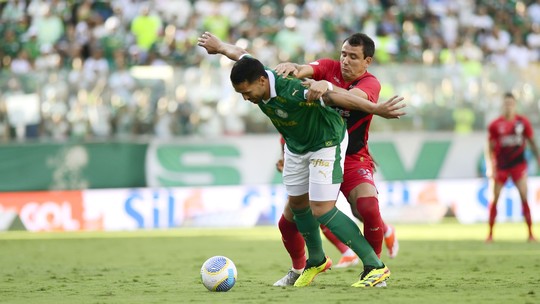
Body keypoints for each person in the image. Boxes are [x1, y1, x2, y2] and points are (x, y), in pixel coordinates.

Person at [198, 31, 397, 288]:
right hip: (296, 147)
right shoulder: (259, 74)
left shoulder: (291, 87)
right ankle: (315, 260)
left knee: (322, 209)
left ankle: (375, 266)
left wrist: (376, 109)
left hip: (326, 142)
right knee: (298, 207)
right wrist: (220, 47)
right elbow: (241, 54)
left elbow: (337, 98)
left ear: (260, 81)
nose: (246, 98)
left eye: (247, 92)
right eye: (241, 94)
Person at [272, 33, 403, 286]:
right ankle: (298, 270)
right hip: (317, 154)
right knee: (288, 223)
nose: (345, 60)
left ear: (367, 61)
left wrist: (328, 88)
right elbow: (305, 70)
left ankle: (374, 270)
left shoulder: (370, 83)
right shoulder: (329, 68)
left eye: (353, 56)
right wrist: (294, 68)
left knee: (367, 208)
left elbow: (356, 100)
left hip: (353, 157)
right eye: (343, 53)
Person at [485, 92, 539, 243]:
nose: (509, 106)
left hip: (518, 166)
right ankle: (490, 234)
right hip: (501, 166)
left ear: (515, 105)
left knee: (524, 197)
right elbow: (488, 147)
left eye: (511, 103)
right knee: (494, 198)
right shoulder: (495, 125)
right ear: (503, 105)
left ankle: (530, 234)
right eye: (506, 103)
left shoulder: (522, 123)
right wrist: (490, 166)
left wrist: (538, 158)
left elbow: (532, 142)